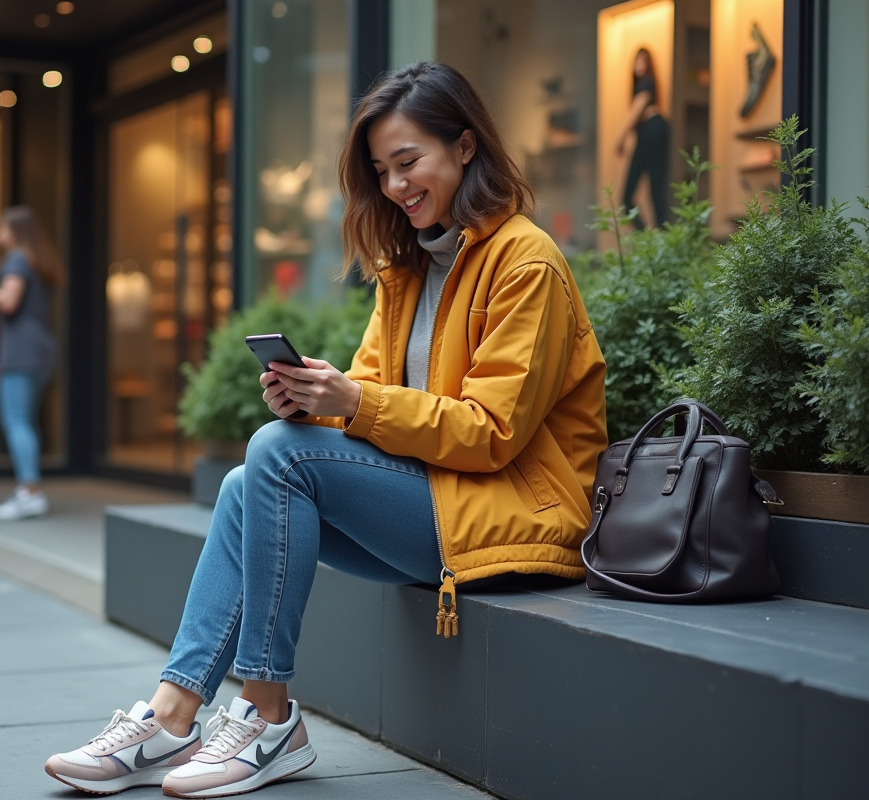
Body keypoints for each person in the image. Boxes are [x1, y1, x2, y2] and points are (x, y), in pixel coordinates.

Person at [42, 62, 608, 799]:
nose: (396, 186)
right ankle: (174, 713)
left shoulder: (525, 261)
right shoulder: (410, 268)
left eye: (409, 162)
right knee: (253, 479)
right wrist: (317, 401)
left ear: (465, 147)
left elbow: (491, 432)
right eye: (382, 171)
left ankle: (267, 715)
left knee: (272, 460)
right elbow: (372, 397)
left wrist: (354, 404)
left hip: (516, 516)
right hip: (441, 501)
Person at [0, 206, 62, 521]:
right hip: (40, 350)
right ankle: (29, 489)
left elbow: (9, 301)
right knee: (26, 421)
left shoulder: (17, 259)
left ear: (15, 231)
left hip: (20, 351)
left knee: (17, 421)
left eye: (2, 229)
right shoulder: (38, 260)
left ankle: (29, 492)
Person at [616, 47, 669, 229]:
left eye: (642, 61)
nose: (638, 65)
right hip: (652, 132)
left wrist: (621, 138)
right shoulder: (644, 85)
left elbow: (637, 110)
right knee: (654, 194)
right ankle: (656, 240)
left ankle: (653, 241)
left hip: (653, 131)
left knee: (638, 195)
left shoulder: (646, 84)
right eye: (636, 61)